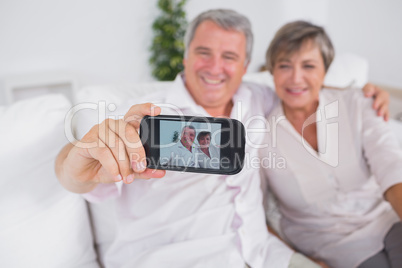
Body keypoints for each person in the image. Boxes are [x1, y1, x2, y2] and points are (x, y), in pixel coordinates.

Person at [55, 9, 390, 268]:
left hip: (262, 254)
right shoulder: (144, 116)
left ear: (245, 67)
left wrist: (363, 93)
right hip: (171, 258)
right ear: (185, 57)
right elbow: (80, 172)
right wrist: (75, 159)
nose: (215, 68)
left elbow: (302, 86)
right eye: (203, 53)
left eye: (229, 57)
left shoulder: (260, 99)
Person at [262, 20, 402, 268]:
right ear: (272, 71)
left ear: (324, 72)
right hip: (329, 244)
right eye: (285, 65)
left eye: (308, 66)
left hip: (386, 221)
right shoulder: (260, 133)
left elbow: (392, 166)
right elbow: (254, 212)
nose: (296, 78)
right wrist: (296, 259)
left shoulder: (357, 103)